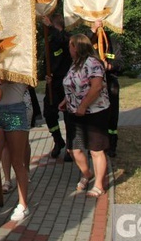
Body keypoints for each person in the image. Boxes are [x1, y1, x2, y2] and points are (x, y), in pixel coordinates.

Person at [59, 34, 110, 198]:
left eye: (70, 45)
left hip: (94, 113)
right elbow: (73, 85)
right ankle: (87, 173)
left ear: (77, 46)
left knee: (96, 150)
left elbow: (96, 87)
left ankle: (99, 185)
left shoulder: (93, 63)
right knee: (73, 149)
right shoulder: (75, 64)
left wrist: (83, 105)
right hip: (75, 113)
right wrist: (65, 101)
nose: (68, 48)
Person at [0, 72, 31, 223]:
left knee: (17, 161)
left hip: (16, 110)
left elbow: (17, 78)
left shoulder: (21, 58)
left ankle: (23, 204)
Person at [87, 19, 124, 157]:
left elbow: (121, 63)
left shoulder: (113, 41)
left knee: (112, 116)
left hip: (110, 84)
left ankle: (112, 145)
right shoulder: (90, 41)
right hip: (93, 85)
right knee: (95, 115)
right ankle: (97, 145)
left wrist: (109, 66)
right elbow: (82, 45)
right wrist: (92, 31)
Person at [42, 13, 73, 161]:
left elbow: (64, 41)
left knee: (68, 116)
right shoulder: (51, 39)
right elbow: (46, 59)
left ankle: (70, 147)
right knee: (49, 113)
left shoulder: (66, 38)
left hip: (66, 82)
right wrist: (45, 75)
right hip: (52, 83)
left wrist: (50, 27)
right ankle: (57, 140)